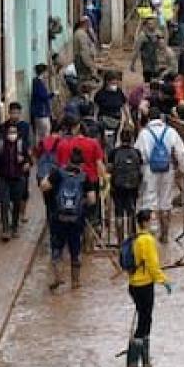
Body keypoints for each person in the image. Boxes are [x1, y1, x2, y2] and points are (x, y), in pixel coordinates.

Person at [126, 209, 173, 367]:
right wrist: (164, 281)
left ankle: (144, 361)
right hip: (144, 285)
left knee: (144, 319)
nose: (154, 223)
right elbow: (153, 265)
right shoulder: (147, 240)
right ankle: (134, 366)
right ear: (145, 222)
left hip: (134, 284)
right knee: (144, 323)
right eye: (152, 221)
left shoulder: (135, 238)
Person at [41, 147, 96, 290]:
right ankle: (75, 281)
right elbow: (92, 199)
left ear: (68, 161)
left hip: (58, 218)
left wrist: (47, 177)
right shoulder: (84, 177)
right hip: (76, 220)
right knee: (75, 249)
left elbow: (44, 187)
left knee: (57, 248)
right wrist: (82, 206)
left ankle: (58, 276)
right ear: (81, 164)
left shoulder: (58, 173)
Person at [134, 106, 184, 243]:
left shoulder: (144, 134)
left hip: (149, 170)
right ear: (162, 118)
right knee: (166, 201)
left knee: (150, 200)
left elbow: (137, 154)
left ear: (148, 119)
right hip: (167, 169)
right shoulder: (170, 132)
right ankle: (164, 235)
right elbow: (181, 152)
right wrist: (182, 169)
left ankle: (151, 232)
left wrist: (139, 173)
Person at [55, 105, 106, 249]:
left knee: (70, 212)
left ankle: (70, 245)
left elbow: (59, 166)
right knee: (91, 215)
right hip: (90, 182)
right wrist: (104, 182)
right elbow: (99, 165)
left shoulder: (62, 144)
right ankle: (88, 246)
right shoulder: (93, 143)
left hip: (68, 184)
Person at [0, 124, 31, 241]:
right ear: (5, 134)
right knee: (4, 203)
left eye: (14, 132)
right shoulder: (0, 146)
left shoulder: (21, 145)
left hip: (18, 179)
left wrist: (26, 162)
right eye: (10, 132)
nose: (12, 135)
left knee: (17, 203)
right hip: (3, 179)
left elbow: (29, 159)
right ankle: (5, 229)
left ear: (17, 134)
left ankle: (15, 227)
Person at [0, 102, 32, 222]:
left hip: (22, 162)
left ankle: (22, 213)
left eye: (17, 113)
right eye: (13, 113)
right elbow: (1, 145)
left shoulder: (25, 127)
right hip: (8, 163)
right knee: (8, 193)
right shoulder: (3, 127)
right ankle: (12, 215)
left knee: (24, 191)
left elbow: (28, 145)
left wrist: (28, 161)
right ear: (9, 113)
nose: (15, 115)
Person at [109, 129, 142, 243]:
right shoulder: (136, 152)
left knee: (118, 212)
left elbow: (109, 169)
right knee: (131, 212)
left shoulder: (114, 152)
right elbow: (140, 169)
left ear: (120, 138)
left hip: (117, 186)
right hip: (133, 187)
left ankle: (120, 242)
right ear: (132, 139)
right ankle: (131, 240)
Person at [130, 17, 160, 83]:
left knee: (157, 82)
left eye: (153, 23)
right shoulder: (142, 36)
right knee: (147, 82)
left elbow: (161, 47)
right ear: (146, 25)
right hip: (147, 64)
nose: (152, 25)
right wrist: (132, 64)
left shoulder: (157, 34)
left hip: (156, 62)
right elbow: (136, 50)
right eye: (149, 23)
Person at [30, 64, 54, 142]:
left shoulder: (37, 82)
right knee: (45, 132)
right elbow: (43, 96)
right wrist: (52, 94)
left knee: (40, 132)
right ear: (43, 72)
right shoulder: (38, 83)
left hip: (40, 111)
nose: (47, 74)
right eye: (46, 72)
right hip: (41, 112)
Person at [74, 16, 97, 82]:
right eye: (89, 23)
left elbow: (94, 41)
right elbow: (84, 51)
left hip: (81, 60)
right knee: (84, 81)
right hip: (82, 62)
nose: (90, 25)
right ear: (85, 23)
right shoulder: (81, 34)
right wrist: (90, 65)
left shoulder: (81, 33)